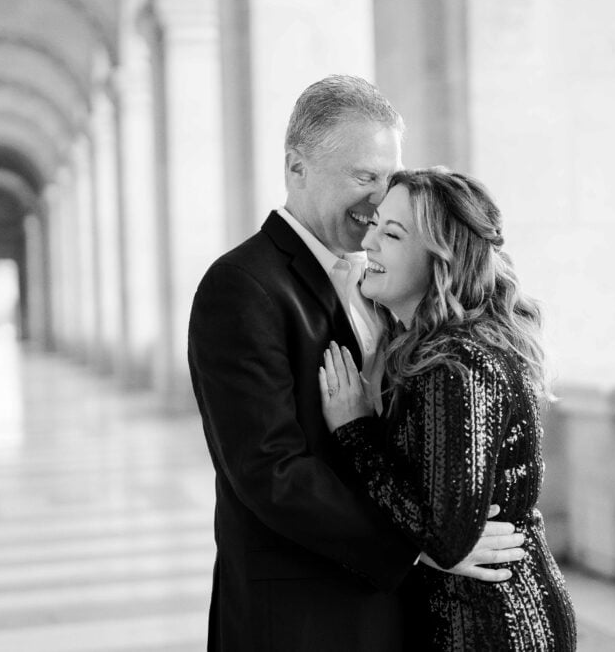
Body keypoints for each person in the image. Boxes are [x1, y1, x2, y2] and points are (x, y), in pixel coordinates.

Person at [188, 76, 528, 652]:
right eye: (362, 176)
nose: (378, 201)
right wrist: (428, 544)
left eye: (387, 178)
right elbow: (271, 473)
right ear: (297, 167)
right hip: (301, 619)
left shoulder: (384, 283)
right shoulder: (241, 286)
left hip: (394, 610)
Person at [319, 167, 577, 651]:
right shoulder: (433, 350)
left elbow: (445, 540)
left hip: (495, 627)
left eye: (392, 234)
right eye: (374, 224)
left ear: (440, 259)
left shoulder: (457, 364)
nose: (369, 242)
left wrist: (354, 431)